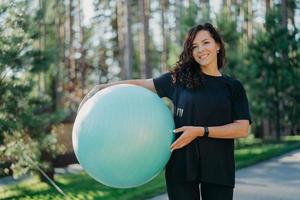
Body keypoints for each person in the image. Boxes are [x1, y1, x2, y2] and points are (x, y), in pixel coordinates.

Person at [78, 23, 251, 200]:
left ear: (218, 45)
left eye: (206, 43)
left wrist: (200, 131)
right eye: (194, 46)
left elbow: (242, 129)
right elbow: (143, 84)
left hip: (218, 168)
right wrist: (103, 87)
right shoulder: (179, 79)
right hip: (181, 168)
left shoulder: (232, 87)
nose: (201, 50)